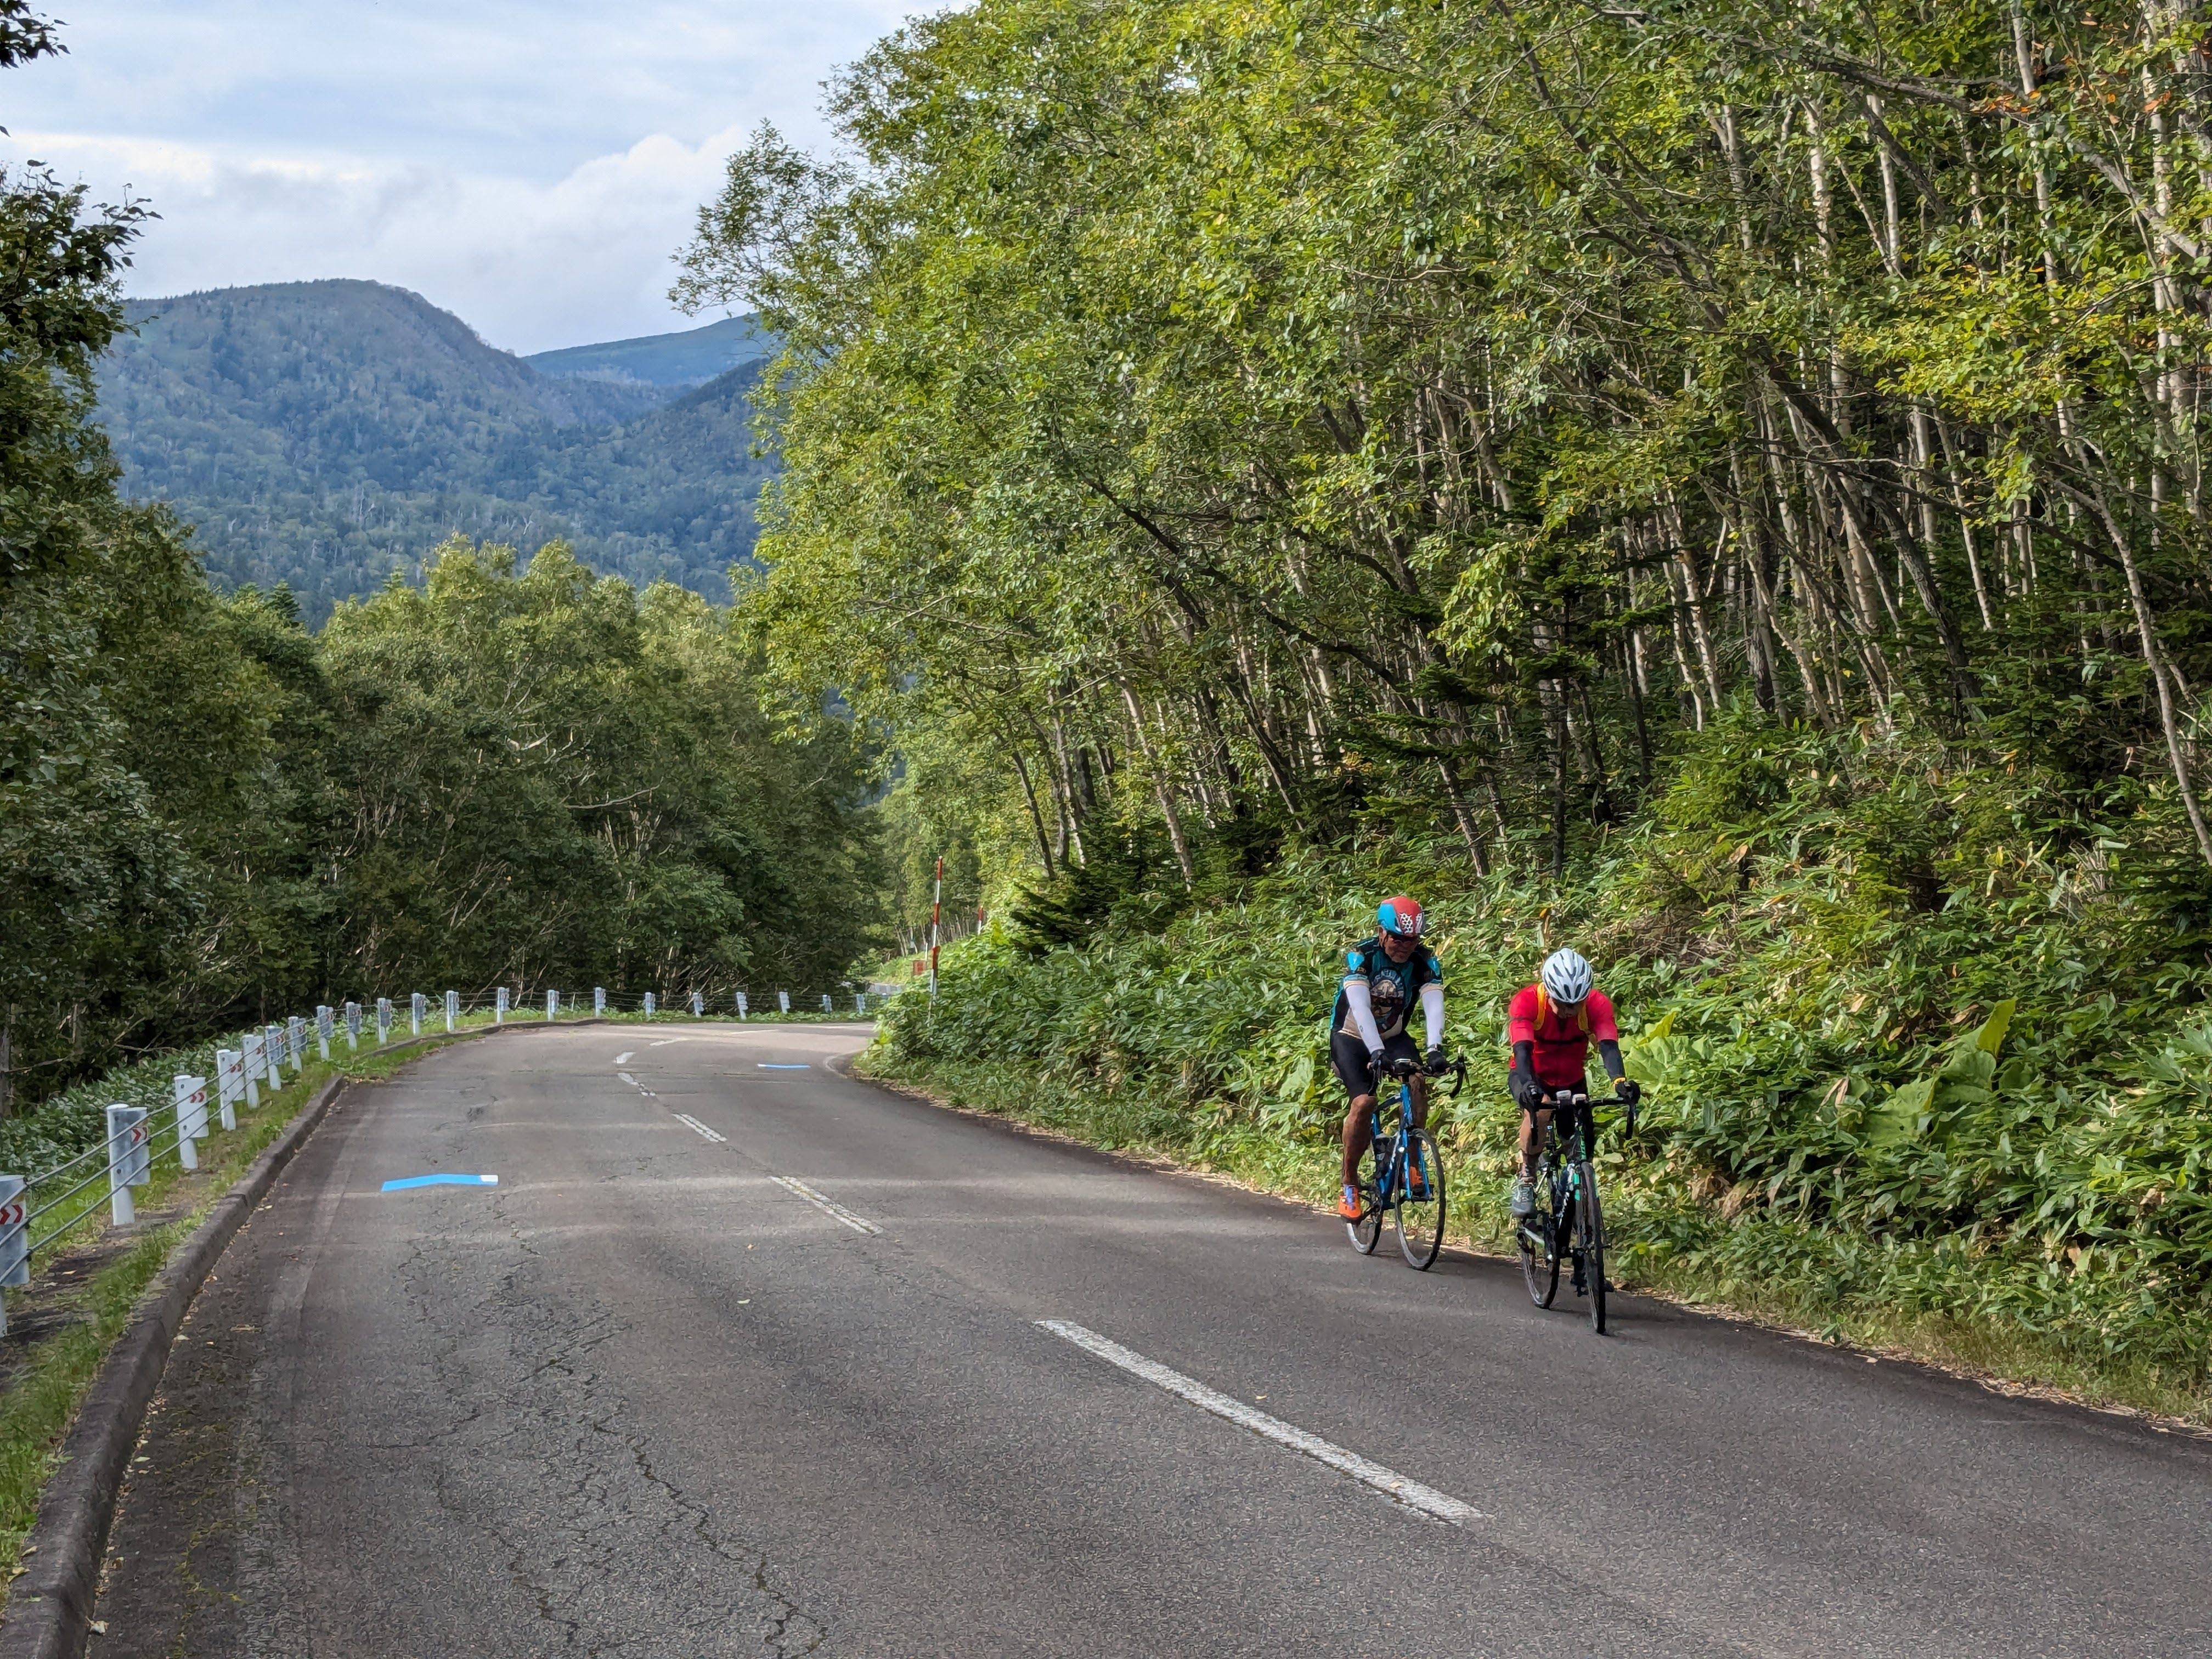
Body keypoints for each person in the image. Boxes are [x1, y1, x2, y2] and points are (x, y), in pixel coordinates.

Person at [1332, 896, 1447, 1220]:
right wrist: (1376, 1051)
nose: (1405, 946)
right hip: (1352, 1036)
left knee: (1417, 1081)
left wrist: (1434, 1048)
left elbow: (1433, 1006)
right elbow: (1360, 1008)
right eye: (1398, 938)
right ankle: (1349, 1183)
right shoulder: (1363, 958)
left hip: (1394, 1036)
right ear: (1382, 933)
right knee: (1364, 1103)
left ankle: (1411, 1162)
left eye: (1412, 939)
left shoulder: (1425, 963)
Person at [1506, 947, 1640, 1217]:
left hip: (1572, 1079)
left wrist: (1620, 1082)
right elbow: (1522, 1049)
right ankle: (1527, 1177)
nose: (1569, 1011)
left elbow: (1608, 1046)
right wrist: (1531, 1086)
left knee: (1582, 1148)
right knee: (1541, 1110)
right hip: (1531, 1075)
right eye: (1562, 1004)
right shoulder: (1528, 1001)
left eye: (1576, 1004)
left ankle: (1582, 1203)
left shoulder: (1597, 1005)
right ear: (1549, 992)